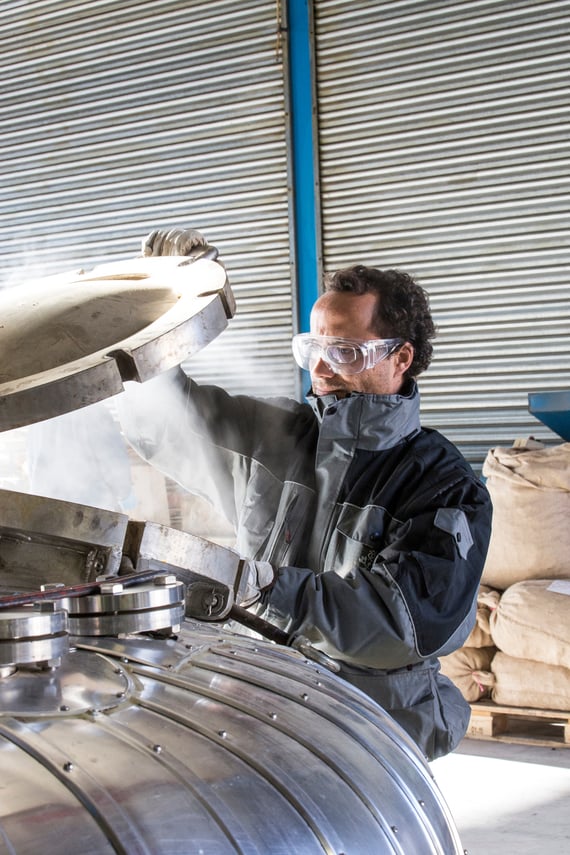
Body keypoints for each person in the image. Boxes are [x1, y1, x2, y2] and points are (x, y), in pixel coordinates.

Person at [118, 228, 492, 760]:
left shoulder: (444, 486)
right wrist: (156, 308)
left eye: (342, 351)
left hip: (371, 732)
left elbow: (398, 625)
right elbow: (162, 421)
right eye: (312, 348)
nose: (319, 369)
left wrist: (262, 588)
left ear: (401, 358)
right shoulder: (274, 434)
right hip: (257, 704)